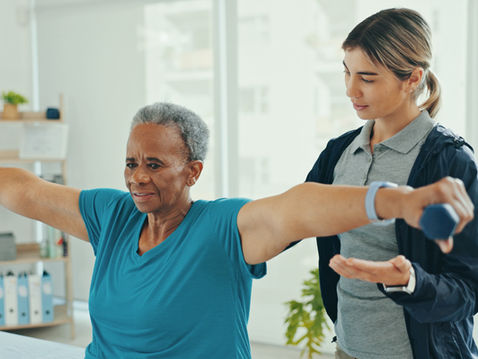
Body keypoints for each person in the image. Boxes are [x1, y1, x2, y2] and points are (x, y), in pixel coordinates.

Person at [0, 103, 473, 359]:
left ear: (193, 171)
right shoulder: (114, 215)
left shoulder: (222, 227)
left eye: (155, 165)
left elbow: (295, 208)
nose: (137, 177)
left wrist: (396, 199)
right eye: (131, 163)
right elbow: (27, 191)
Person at [305, 8, 478, 359]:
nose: (351, 89)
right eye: (347, 73)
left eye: (367, 78)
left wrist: (409, 281)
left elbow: (469, 288)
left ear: (412, 78)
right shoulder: (338, 153)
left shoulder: (450, 161)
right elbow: (297, 215)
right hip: (348, 350)